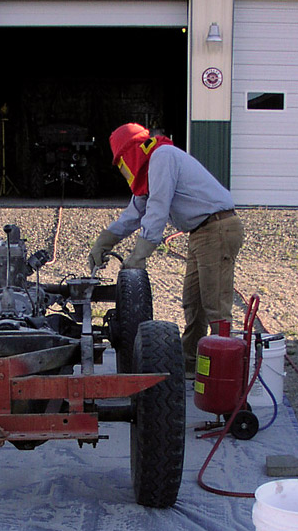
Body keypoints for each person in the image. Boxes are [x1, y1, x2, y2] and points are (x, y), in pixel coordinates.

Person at [88, 122, 244, 377]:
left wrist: (139, 256)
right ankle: (191, 363)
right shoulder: (149, 171)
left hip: (218, 228)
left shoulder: (162, 158)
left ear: (132, 151)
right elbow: (133, 215)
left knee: (215, 304)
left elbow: (157, 209)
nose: (123, 169)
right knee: (194, 304)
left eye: (121, 162)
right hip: (201, 232)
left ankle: (225, 373)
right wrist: (103, 242)